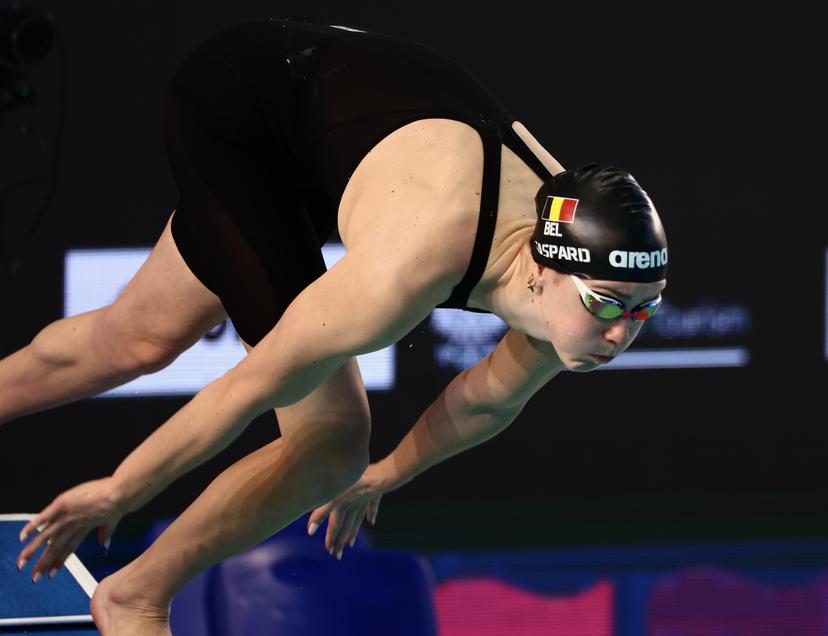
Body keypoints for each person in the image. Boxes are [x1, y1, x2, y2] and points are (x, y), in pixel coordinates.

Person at [7, 16, 667, 635]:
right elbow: (249, 387)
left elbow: (486, 399)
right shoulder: (410, 267)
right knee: (331, 441)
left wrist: (389, 474)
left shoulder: (569, 290)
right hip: (246, 111)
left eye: (644, 309)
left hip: (338, 138)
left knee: (134, 340)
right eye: (607, 305)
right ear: (544, 271)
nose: (621, 333)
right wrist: (123, 489)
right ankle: (136, 594)